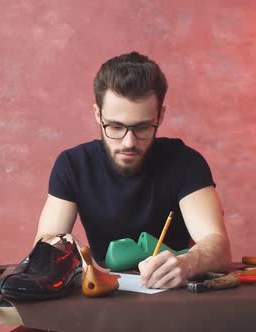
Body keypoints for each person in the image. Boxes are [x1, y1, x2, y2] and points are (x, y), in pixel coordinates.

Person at [34, 51, 231, 289]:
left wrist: (187, 264)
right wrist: (77, 260)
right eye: (115, 127)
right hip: (104, 294)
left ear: (160, 116)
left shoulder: (186, 162)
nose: (129, 142)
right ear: (98, 114)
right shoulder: (73, 165)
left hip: (174, 301)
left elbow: (218, 246)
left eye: (143, 127)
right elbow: (45, 245)